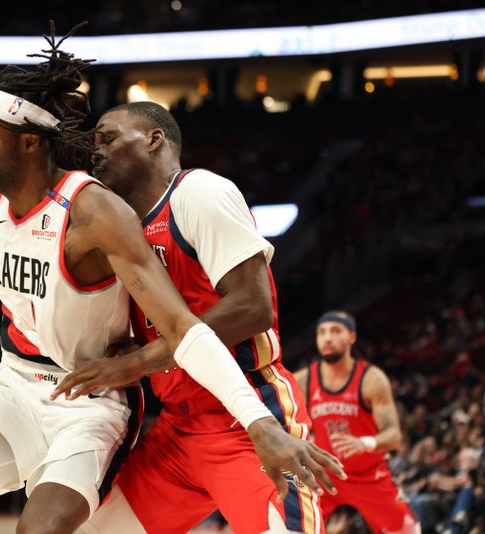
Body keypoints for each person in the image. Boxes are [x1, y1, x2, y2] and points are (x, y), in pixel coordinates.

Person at [0, 26, 341, 534]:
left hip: (117, 402)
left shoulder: (119, 208)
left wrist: (255, 421)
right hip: (43, 392)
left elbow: (206, 322)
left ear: (29, 143)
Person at [52, 101, 339, 534]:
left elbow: (252, 306)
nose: (95, 151)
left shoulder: (198, 191)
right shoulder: (122, 227)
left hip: (246, 412)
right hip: (177, 429)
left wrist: (139, 361)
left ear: (154, 140)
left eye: (107, 138)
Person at [293, 311, 419, 534]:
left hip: (368, 474)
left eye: (335, 331)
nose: (327, 338)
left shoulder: (371, 379)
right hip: (326, 472)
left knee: (408, 530)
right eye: (322, 333)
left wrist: (365, 443)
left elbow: (394, 437)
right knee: (292, 526)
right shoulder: (303, 379)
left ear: (351, 337)